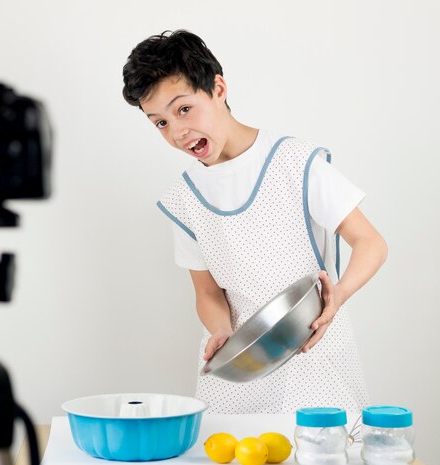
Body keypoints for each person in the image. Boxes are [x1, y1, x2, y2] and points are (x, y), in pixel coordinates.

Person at [122, 30, 388, 414]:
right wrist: (221, 332)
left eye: (183, 109)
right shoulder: (184, 199)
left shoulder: (295, 162)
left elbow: (370, 242)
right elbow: (208, 293)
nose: (177, 132)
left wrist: (339, 296)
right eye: (159, 123)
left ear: (218, 88)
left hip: (314, 349)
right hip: (240, 366)